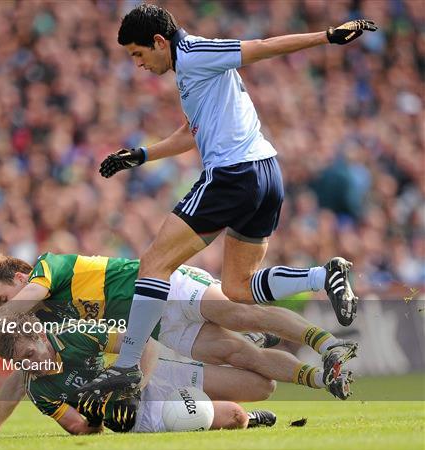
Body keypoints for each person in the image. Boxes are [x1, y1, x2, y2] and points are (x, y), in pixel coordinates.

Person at [84, 3, 376, 395]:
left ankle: (127, 366)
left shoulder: (192, 53)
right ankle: (324, 276)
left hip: (233, 173)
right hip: (265, 172)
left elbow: (261, 46)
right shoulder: (190, 72)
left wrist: (325, 36)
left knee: (154, 264)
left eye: (138, 54)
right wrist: (141, 155)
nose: (138, 63)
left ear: (158, 41)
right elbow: (191, 133)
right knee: (238, 287)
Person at [0, 252, 357, 404]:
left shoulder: (47, 268)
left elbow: (6, 317)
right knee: (240, 356)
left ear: (19, 279)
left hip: (165, 286)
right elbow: (21, 365)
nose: (5, 307)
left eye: (2, 296)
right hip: (160, 327)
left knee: (239, 313)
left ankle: (328, 343)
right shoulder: (45, 319)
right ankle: (324, 377)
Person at [0, 311, 278, 436]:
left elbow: (145, 343)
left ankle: (245, 344)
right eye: (20, 364)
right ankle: (251, 419)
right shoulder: (38, 390)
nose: (30, 366)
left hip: (149, 374)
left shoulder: (76, 334)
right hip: (137, 416)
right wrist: (97, 417)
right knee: (236, 416)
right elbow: (78, 427)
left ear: (39, 335)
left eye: (30, 356)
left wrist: (135, 387)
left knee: (263, 386)